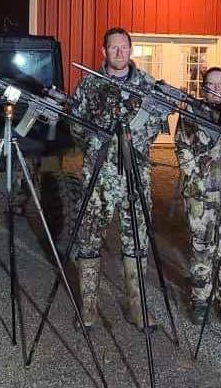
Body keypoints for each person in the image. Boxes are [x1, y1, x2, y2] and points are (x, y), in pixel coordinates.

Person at [70, 27, 166, 330]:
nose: (119, 52)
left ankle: (137, 307)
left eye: (124, 47)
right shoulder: (89, 83)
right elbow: (76, 126)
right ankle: (89, 307)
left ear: (131, 49)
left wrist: (131, 134)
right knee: (89, 239)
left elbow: (157, 125)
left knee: (136, 240)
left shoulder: (148, 85)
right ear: (104, 51)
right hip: (98, 175)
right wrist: (100, 138)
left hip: (135, 175)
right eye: (113, 47)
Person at [175, 67, 221, 326]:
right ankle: (200, 300)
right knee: (201, 248)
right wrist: (196, 178)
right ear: (203, 88)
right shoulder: (191, 113)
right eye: (210, 84)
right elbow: (181, 147)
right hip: (201, 196)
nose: (216, 88)